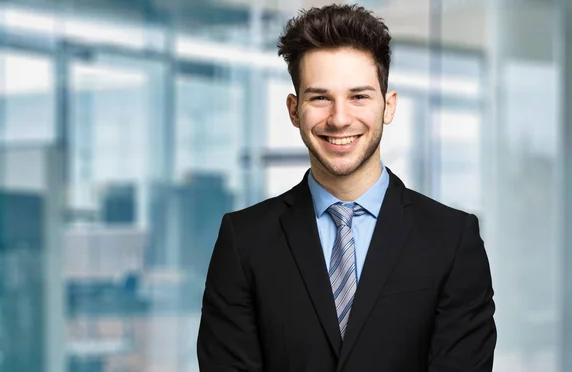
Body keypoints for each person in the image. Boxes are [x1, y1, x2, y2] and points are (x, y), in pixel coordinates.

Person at [197, 4, 497, 371]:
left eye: (359, 96)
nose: (339, 119)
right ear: (294, 110)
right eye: (320, 97)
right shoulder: (244, 241)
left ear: (388, 106)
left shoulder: (452, 240)